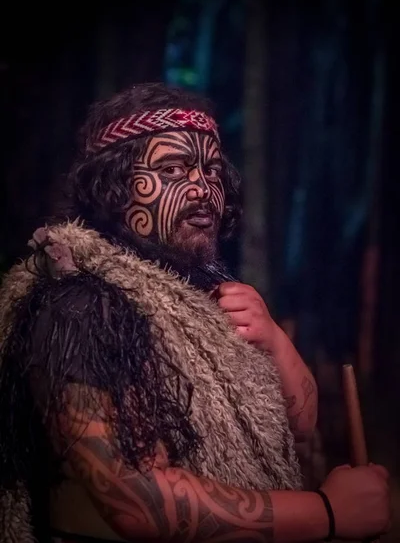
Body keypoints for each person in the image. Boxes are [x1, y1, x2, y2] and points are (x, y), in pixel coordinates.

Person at [0, 83, 390, 543]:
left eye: (211, 171)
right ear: (112, 188)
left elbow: (300, 426)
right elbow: (137, 500)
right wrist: (326, 513)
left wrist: (272, 338)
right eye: (171, 169)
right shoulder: (81, 306)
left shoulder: (204, 295)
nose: (202, 189)